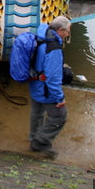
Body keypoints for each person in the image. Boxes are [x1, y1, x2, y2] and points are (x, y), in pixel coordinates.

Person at [28, 15, 71, 159]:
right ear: (60, 30)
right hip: (45, 89)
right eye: (67, 31)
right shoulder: (54, 48)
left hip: (35, 83)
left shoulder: (42, 35)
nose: (68, 34)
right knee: (59, 116)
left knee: (37, 113)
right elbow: (53, 78)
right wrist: (59, 98)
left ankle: (33, 139)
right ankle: (41, 141)